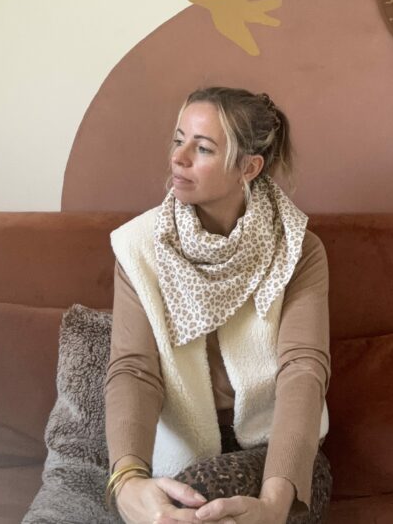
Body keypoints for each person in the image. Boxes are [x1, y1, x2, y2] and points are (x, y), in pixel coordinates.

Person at [104, 87, 331, 524]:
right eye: (178, 140)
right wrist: (128, 482)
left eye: (203, 148)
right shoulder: (139, 246)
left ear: (249, 167)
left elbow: (303, 371)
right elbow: (134, 370)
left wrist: (274, 504)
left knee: (204, 502)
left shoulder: (298, 249)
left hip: (276, 453)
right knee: (182, 503)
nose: (178, 158)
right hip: (178, 451)